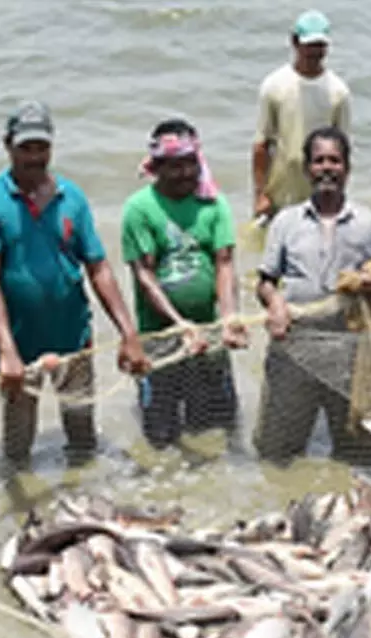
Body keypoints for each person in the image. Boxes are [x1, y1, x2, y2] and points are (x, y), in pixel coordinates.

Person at [0, 100, 150, 466]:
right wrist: (7, 350)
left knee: (83, 435)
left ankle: (83, 489)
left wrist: (128, 333)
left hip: (73, 337)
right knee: (17, 445)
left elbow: (98, 268)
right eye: (26, 148)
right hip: (20, 345)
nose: (35, 157)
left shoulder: (72, 197)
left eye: (42, 147)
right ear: (8, 146)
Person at [255, 126, 371, 466]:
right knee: (277, 453)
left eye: (334, 160)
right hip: (295, 347)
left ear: (347, 168)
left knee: (358, 455)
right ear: (307, 169)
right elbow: (265, 280)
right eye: (319, 161)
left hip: (351, 354)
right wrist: (275, 304)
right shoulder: (286, 222)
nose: (327, 168)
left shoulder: (368, 224)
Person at [122, 118, 248, 448]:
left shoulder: (214, 204)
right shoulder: (139, 209)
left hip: (208, 335)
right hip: (160, 338)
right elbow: (144, 275)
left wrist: (229, 318)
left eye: (191, 163)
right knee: (161, 436)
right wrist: (179, 324)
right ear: (157, 167)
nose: (185, 173)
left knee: (214, 427)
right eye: (175, 166)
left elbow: (224, 263)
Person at [252, 10, 352, 224]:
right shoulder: (274, 86)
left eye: (320, 45)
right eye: (310, 45)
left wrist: (340, 196)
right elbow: (261, 144)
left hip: (321, 195)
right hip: (280, 193)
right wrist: (260, 195)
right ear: (295, 42)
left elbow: (343, 151)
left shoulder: (338, 92)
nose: (315, 52)